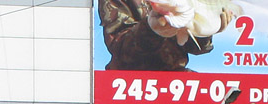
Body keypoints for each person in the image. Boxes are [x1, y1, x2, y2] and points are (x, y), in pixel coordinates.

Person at [98, 0, 233, 71]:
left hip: (175, 81)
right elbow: (120, 48)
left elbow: (196, 47)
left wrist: (209, 27)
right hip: (127, 82)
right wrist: (152, 29)